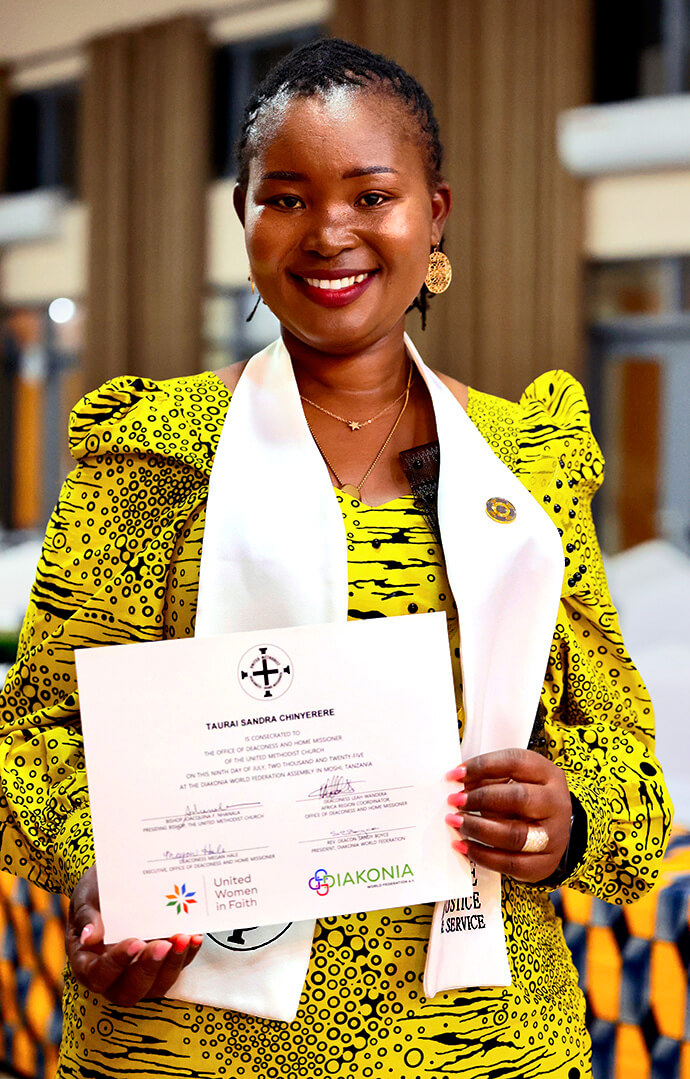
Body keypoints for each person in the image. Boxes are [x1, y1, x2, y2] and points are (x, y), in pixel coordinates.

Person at [0, 37, 672, 1079]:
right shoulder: (149, 456)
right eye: (286, 196)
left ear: (434, 213)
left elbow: (623, 752)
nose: (330, 233)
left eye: (372, 193)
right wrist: (107, 869)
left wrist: (568, 818)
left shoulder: (521, 465)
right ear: (243, 217)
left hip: (475, 1040)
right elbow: (34, 736)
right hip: (194, 1038)